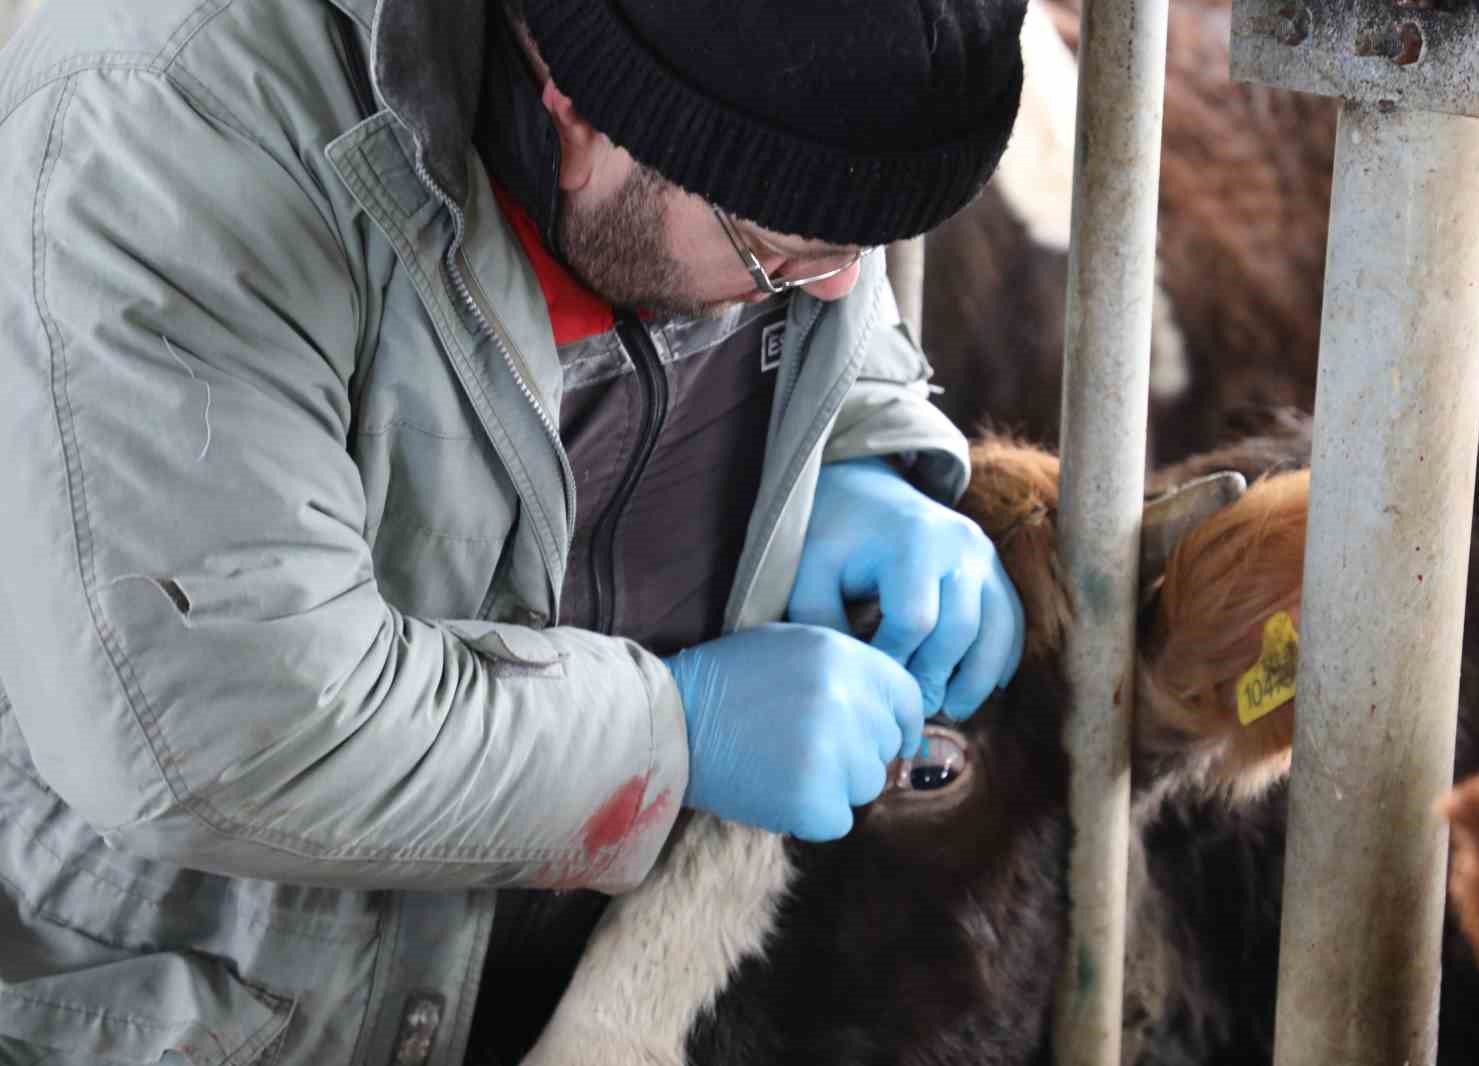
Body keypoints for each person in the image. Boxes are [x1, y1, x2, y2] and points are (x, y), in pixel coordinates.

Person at [0, 0, 1029, 1062]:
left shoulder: (718, 109)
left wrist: (862, 444)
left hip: (568, 981)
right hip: (216, 1008)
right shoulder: (168, 128)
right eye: (780, 261)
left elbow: (806, 233)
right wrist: (669, 735)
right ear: (575, 115)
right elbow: (217, 723)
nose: (837, 287)